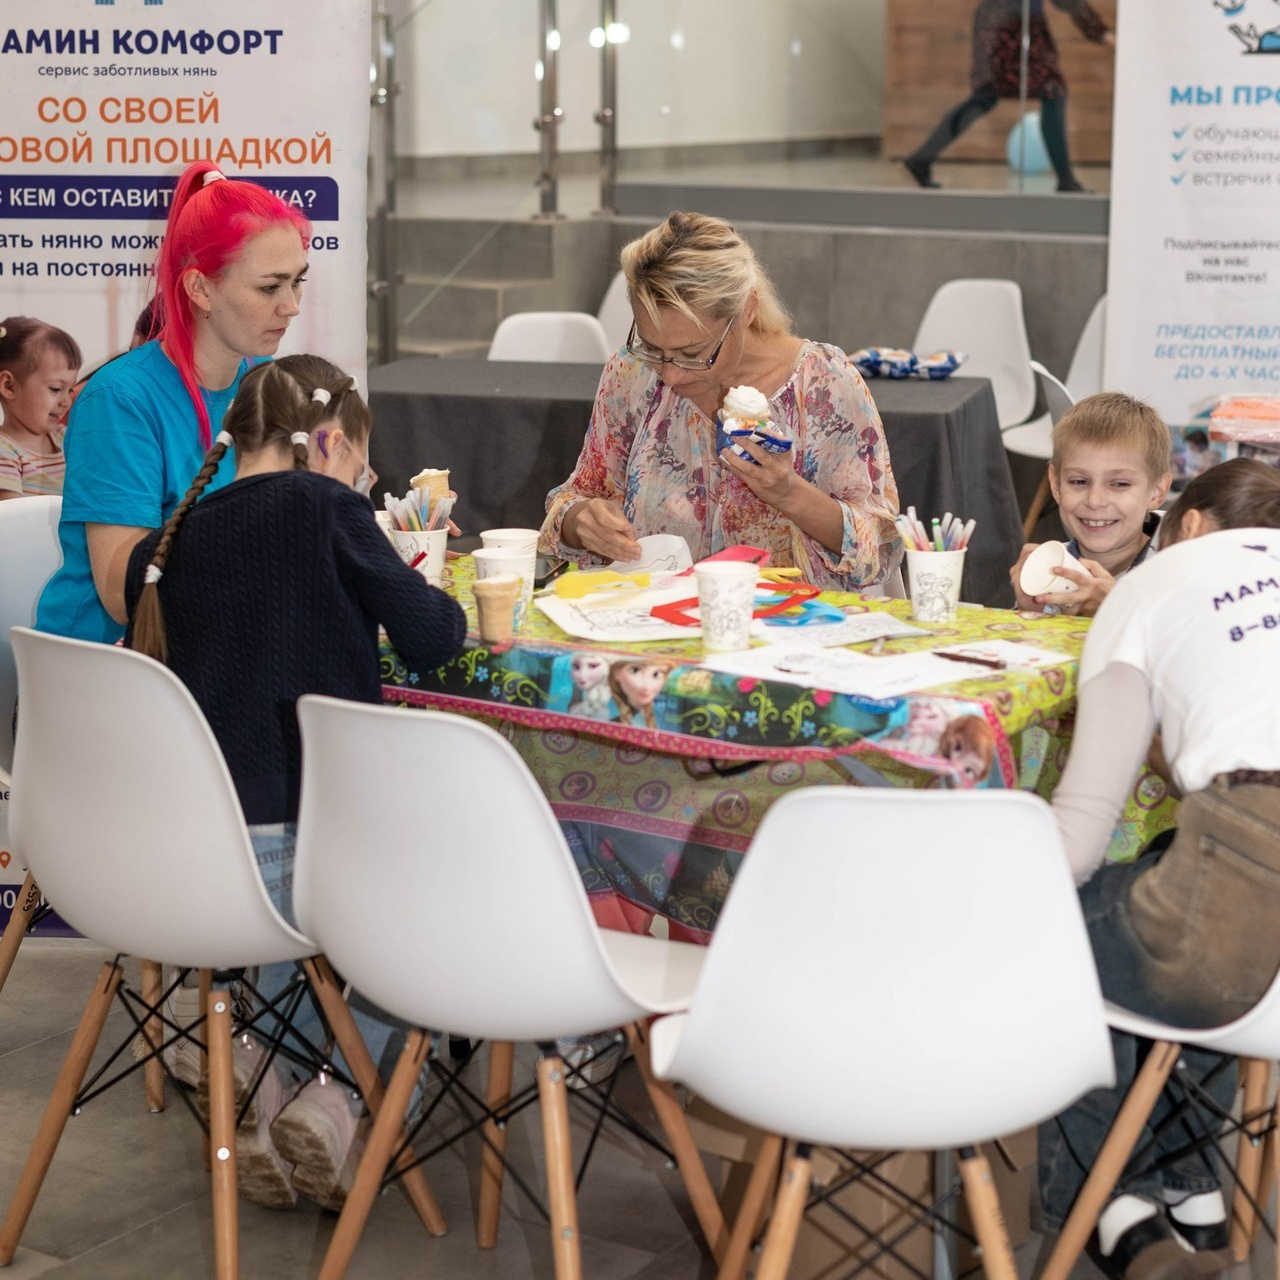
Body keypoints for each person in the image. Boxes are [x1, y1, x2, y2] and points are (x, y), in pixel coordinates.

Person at [124, 354, 467, 1211]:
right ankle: (337, 1100)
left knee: (317, 882)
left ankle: (258, 1066)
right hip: (300, 853)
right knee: (431, 898)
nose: (366, 479)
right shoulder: (327, 508)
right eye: (359, 460)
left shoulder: (171, 540)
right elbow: (433, 639)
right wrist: (408, 565)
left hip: (194, 859)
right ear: (326, 442)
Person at [1040, 458, 1280, 1280]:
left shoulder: (1154, 587)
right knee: (1161, 883)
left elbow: (1077, 838)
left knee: (1059, 929)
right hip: (1255, 935)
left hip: (1248, 895)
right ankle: (1193, 1195)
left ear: (1189, 525)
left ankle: (1111, 1214)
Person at [539, 211, 903, 593]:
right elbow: (576, 497)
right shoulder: (632, 375)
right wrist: (580, 522)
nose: (671, 375)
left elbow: (878, 551)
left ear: (746, 309)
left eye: (693, 353)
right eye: (652, 348)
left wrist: (788, 493)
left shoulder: (824, 383)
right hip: (650, 625)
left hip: (786, 630)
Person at [36, 160, 310, 643]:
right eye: (271, 286)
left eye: (297, 281)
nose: (291, 305)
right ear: (200, 288)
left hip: (213, 648)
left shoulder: (263, 384)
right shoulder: (119, 401)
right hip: (102, 677)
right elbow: (124, 593)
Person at [903, 0, 1112, 193]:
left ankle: (922, 159)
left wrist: (1098, 31)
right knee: (1051, 90)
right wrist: (1102, 33)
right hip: (1014, 24)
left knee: (988, 95)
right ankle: (1066, 181)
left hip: (1002, 22)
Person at [1012, 392, 1172, 616]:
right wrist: (1030, 609)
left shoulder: (1180, 565)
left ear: (1156, 492)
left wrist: (1113, 610)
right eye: (1079, 482)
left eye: (1119, 484)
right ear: (1056, 486)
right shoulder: (1056, 568)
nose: (1095, 501)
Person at [0, 317, 82, 499]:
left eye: (69, 390)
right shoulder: (4, 453)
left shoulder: (65, 437)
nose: (66, 401)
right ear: (9, 386)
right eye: (55, 389)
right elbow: (14, 521)